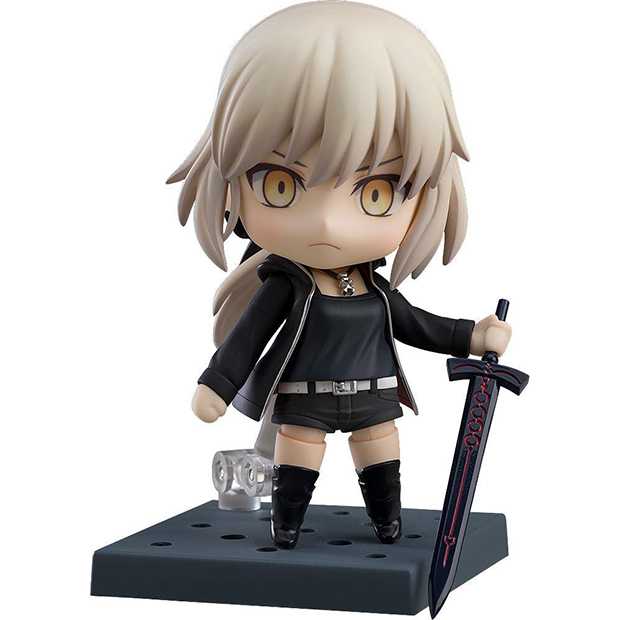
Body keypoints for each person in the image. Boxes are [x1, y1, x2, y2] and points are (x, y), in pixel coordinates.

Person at [167, 1, 512, 549]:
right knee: (298, 456)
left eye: (376, 192)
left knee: (381, 453)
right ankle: (287, 526)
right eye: (280, 184)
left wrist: (472, 335)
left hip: (374, 397)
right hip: (304, 401)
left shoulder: (376, 289)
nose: (328, 222)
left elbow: (418, 325)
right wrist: (217, 385)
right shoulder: (286, 285)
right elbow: (248, 340)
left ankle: (387, 522)